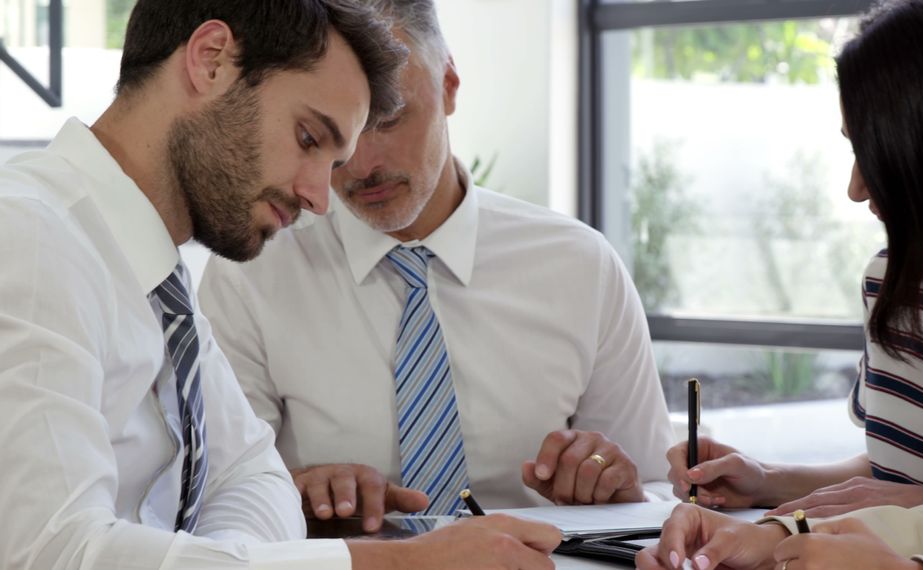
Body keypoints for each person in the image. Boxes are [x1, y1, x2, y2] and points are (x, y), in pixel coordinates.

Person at [0, 1, 561, 569]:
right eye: (309, 138)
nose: (320, 198)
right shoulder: (27, 237)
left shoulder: (152, 278)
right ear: (212, 60)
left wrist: (223, 558)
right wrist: (398, 564)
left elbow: (253, 475)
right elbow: (51, 551)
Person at [198, 0, 675, 528]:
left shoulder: (580, 268)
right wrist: (292, 496)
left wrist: (619, 489)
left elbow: (655, 492)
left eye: (389, 118)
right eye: (329, 133)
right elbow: (215, 501)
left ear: (449, 84)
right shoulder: (254, 272)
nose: (362, 162)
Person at [640, 3, 923, 568]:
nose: (854, 187)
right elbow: (895, 465)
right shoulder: (894, 285)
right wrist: (768, 481)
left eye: (874, 154)